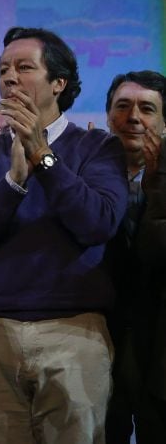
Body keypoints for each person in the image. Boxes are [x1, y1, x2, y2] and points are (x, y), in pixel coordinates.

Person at [0, 26, 128, 444]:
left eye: (24, 67)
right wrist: (12, 183)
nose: (9, 77)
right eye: (3, 69)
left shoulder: (98, 149)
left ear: (59, 83)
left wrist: (43, 158)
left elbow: (97, 222)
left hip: (74, 332)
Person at [104, 70, 166, 444]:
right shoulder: (82, 177)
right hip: (97, 339)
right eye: (123, 106)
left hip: (156, 352)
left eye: (147, 108)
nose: (134, 118)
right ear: (109, 115)